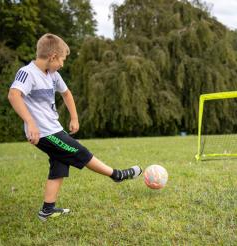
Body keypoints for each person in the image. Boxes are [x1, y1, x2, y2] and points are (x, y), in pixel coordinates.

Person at [7, 33, 142, 221]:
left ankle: (47, 210)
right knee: (80, 152)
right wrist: (30, 123)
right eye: (62, 60)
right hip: (44, 133)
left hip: (54, 128)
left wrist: (74, 117)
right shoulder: (27, 73)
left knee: (60, 164)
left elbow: (67, 93)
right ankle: (116, 175)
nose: (62, 64)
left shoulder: (53, 75)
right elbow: (14, 95)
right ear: (53, 56)